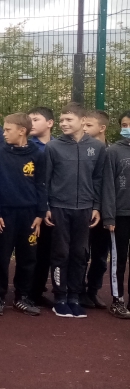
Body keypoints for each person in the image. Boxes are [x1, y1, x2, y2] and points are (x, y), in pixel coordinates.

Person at [43, 104, 104, 318]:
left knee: (80, 254)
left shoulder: (96, 147)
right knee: (61, 253)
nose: (63, 124)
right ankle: (60, 298)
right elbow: (45, 180)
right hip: (59, 207)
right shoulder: (53, 147)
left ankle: (75, 297)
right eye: (61, 120)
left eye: (69, 119)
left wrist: (96, 207)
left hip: (85, 209)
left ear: (82, 120)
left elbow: (98, 179)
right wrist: (46, 207)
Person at [0, 113, 46, 316]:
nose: (4, 133)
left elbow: (41, 185)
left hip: (30, 215)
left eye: (8, 130)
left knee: (28, 257)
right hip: (5, 214)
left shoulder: (38, 155)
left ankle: (22, 297)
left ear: (22, 131)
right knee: (1, 257)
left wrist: (40, 213)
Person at [28, 106, 57, 305]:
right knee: (31, 250)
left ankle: (38, 292)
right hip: (33, 207)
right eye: (29, 119)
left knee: (47, 251)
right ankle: (25, 292)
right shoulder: (28, 147)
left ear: (50, 123)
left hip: (56, 207)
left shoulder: (60, 146)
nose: (31, 123)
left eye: (36, 119)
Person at [82, 110, 111, 309]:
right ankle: (78, 291)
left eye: (89, 125)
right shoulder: (81, 150)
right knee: (81, 253)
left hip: (108, 211)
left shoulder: (113, 151)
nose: (84, 128)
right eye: (83, 124)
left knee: (100, 255)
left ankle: (93, 290)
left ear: (102, 128)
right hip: (86, 209)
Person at [103, 112, 130, 319]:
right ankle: (117, 300)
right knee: (118, 260)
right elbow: (108, 186)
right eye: (124, 124)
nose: (126, 128)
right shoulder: (113, 151)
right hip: (120, 215)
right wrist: (109, 216)